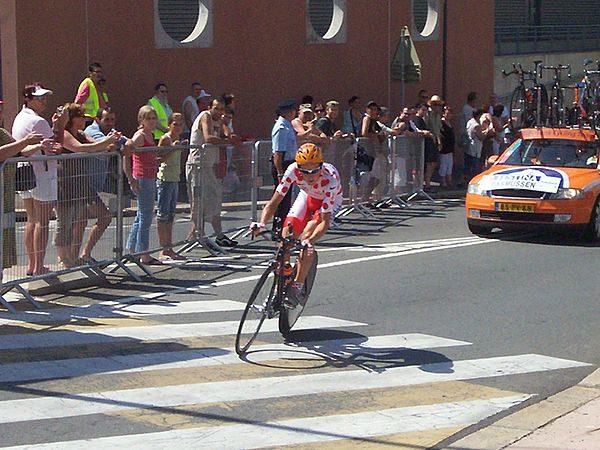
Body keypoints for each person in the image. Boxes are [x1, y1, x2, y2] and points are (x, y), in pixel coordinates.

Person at [250, 143, 343, 308]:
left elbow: (324, 222)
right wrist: (262, 222)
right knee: (286, 234)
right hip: (307, 196)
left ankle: (297, 287)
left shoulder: (331, 181)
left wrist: (311, 240)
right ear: (298, 168)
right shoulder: (292, 170)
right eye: (305, 171)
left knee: (306, 239)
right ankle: (282, 279)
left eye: (315, 170)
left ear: (321, 166)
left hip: (328, 202)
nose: (310, 175)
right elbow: (274, 202)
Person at [12, 84, 67, 276]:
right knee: (41, 222)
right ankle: (39, 267)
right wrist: (61, 125)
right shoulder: (38, 121)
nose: (43, 102)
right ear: (28, 99)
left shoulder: (20, 118)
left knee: (32, 219)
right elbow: (58, 147)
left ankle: (33, 264)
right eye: (39, 98)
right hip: (42, 173)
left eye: (44, 98)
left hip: (25, 173)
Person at [57, 103, 120, 268]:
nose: (84, 119)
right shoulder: (64, 134)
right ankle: (66, 258)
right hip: (67, 184)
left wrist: (110, 144)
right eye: (81, 116)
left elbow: (95, 145)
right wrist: (106, 142)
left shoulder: (81, 133)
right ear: (72, 119)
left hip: (82, 184)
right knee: (68, 222)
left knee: (82, 220)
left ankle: (78, 256)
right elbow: (80, 148)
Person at [187, 97, 240, 247]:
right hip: (197, 164)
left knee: (215, 199)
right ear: (210, 107)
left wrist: (230, 134)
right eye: (216, 108)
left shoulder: (218, 120)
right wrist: (229, 142)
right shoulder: (206, 116)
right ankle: (198, 235)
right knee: (198, 202)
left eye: (221, 109)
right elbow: (208, 138)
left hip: (209, 165)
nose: (219, 112)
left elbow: (227, 131)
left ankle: (218, 235)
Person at [0, 128, 46, 274]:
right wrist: (25, 141)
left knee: (4, 235)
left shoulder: (1, 132)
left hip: (5, 194)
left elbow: (20, 150)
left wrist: (39, 146)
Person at [124, 105, 161, 265]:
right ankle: (143, 253)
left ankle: (132, 249)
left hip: (150, 176)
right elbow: (127, 154)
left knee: (141, 215)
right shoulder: (139, 136)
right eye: (149, 118)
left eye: (154, 118)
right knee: (146, 216)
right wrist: (131, 180)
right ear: (142, 120)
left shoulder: (150, 134)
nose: (152, 121)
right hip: (143, 178)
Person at [157, 113, 187, 260]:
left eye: (180, 124)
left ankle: (169, 248)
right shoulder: (166, 138)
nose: (178, 127)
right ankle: (163, 249)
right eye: (175, 124)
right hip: (165, 179)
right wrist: (173, 149)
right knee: (163, 215)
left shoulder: (177, 139)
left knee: (170, 215)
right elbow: (158, 157)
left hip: (174, 179)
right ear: (169, 124)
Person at [270, 99, 298, 237]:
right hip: (283, 165)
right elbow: (278, 153)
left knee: (286, 199)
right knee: (281, 198)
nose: (295, 112)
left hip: (289, 164)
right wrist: (280, 173)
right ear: (287, 112)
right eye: (293, 110)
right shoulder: (281, 127)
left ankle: (282, 228)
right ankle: (277, 228)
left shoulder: (288, 126)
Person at [465, 109, 495, 179]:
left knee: (467, 166)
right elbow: (481, 137)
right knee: (476, 167)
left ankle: (463, 180)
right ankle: (475, 179)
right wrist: (487, 131)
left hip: (469, 147)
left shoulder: (470, 121)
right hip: (475, 148)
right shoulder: (476, 125)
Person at [439, 105, 456, 188]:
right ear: (443, 114)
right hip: (444, 147)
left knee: (450, 164)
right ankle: (443, 180)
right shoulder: (442, 123)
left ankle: (449, 179)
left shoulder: (449, 123)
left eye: (450, 113)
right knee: (444, 164)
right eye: (447, 113)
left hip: (450, 147)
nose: (449, 115)